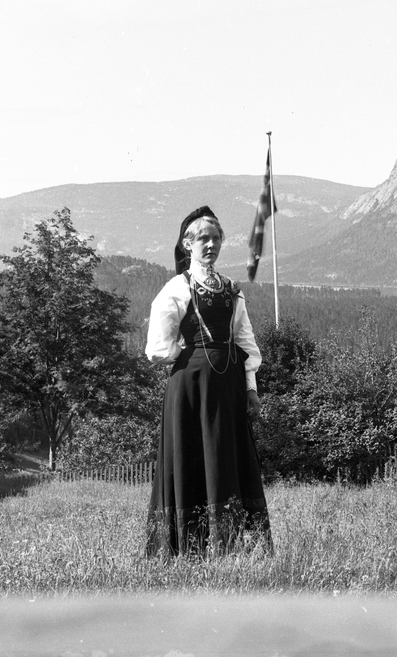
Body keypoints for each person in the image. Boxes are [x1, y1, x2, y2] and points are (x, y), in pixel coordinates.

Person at [145, 206, 271, 557]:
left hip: (229, 387)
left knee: (226, 456)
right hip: (190, 388)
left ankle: (231, 545)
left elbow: (246, 342)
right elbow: (157, 348)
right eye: (203, 238)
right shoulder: (176, 289)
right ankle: (189, 547)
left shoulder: (231, 289)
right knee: (193, 457)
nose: (211, 245)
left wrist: (250, 389)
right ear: (187, 244)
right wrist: (189, 355)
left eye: (216, 238)